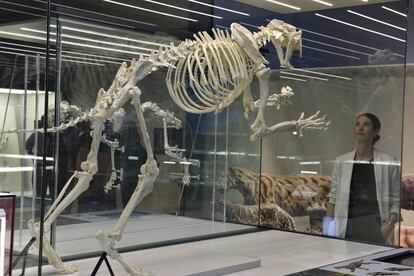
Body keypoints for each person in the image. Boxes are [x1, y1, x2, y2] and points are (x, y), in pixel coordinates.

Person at [325, 113, 400, 244]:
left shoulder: (388, 161)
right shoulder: (341, 161)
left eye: (366, 125)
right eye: (358, 124)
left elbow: (396, 198)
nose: (360, 128)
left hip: (377, 227)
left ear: (375, 131)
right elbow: (333, 198)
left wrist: (389, 225)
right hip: (347, 227)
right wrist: (327, 231)